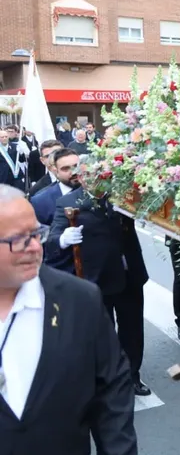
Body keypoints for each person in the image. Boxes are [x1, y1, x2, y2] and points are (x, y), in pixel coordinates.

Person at [0, 186, 137, 455]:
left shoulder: (79, 299)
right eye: (19, 240)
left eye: (36, 234)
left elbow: (112, 385)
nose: (35, 248)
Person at [47, 161, 150, 396]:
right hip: (96, 279)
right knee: (103, 332)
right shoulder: (69, 203)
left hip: (128, 275)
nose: (97, 180)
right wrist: (63, 239)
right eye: (91, 176)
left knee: (132, 331)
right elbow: (53, 239)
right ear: (81, 179)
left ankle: (132, 375)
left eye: (101, 174)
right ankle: (107, 378)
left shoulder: (123, 197)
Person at [30, 147, 80, 229]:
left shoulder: (97, 191)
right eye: (65, 169)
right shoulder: (40, 201)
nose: (73, 172)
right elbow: (39, 234)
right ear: (55, 171)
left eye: (76, 166)